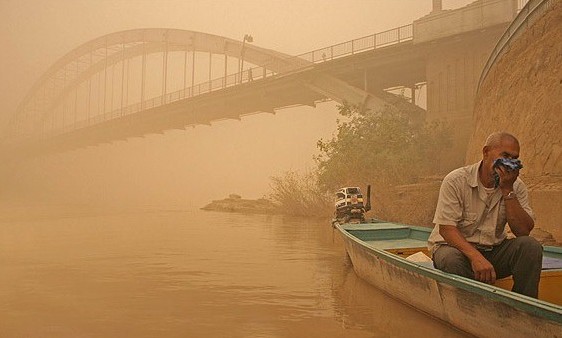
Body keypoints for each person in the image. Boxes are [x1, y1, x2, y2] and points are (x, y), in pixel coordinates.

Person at [428, 131, 543, 298]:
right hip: (457, 251)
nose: (508, 163)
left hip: (493, 251)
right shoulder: (456, 180)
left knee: (530, 247)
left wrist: (507, 190)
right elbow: (446, 229)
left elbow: (523, 231)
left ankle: (523, 310)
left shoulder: (516, 186)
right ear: (486, 152)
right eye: (504, 155)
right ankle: (470, 310)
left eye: (513, 158)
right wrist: (476, 257)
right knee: (450, 259)